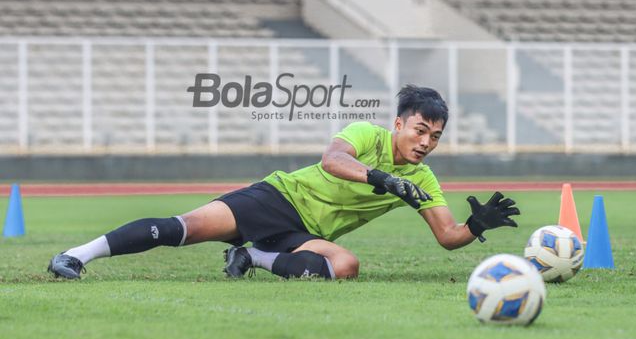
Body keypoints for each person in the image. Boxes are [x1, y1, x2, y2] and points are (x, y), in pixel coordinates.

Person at [48, 85, 520, 280]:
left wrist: (477, 225)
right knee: (181, 229)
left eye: (435, 137)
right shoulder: (366, 135)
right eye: (420, 130)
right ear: (398, 124)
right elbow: (332, 160)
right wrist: (381, 179)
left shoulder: (422, 178)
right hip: (277, 199)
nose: (426, 143)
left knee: (346, 266)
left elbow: (447, 237)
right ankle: (76, 256)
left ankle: (250, 256)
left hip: (302, 234)